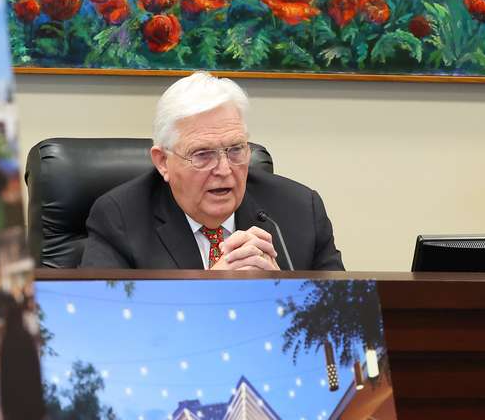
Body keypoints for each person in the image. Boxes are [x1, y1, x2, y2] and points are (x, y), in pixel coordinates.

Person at [81, 71, 344, 271]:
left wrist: (281, 293)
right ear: (163, 162)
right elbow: (101, 325)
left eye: (236, 149)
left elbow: (341, 316)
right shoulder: (119, 218)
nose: (224, 169)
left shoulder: (300, 211)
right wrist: (211, 289)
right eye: (202, 154)